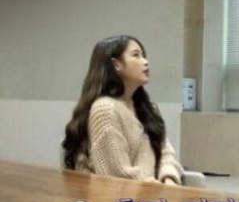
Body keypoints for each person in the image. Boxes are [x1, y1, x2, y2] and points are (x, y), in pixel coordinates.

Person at [62, 35, 183, 184]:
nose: (145, 61)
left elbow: (166, 153)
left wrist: (169, 178)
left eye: (143, 56)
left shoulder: (146, 108)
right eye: (136, 55)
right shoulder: (105, 109)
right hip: (119, 196)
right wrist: (153, 187)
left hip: (151, 192)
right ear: (116, 65)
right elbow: (116, 176)